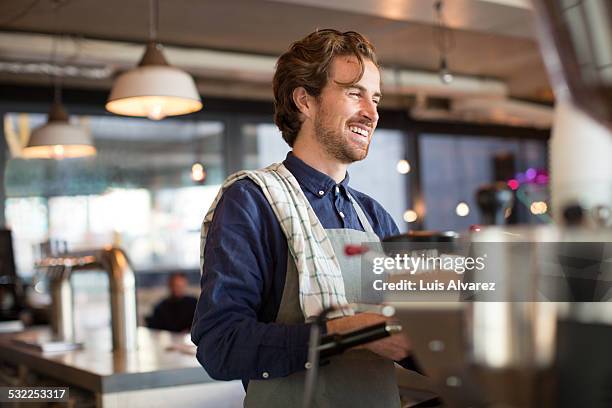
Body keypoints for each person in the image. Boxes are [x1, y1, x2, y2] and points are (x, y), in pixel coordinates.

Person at [191, 29, 412, 407]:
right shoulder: (251, 201)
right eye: (354, 92)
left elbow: (416, 338)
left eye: (375, 98)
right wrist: (346, 333)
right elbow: (221, 345)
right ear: (304, 101)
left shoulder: (375, 217)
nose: (372, 113)